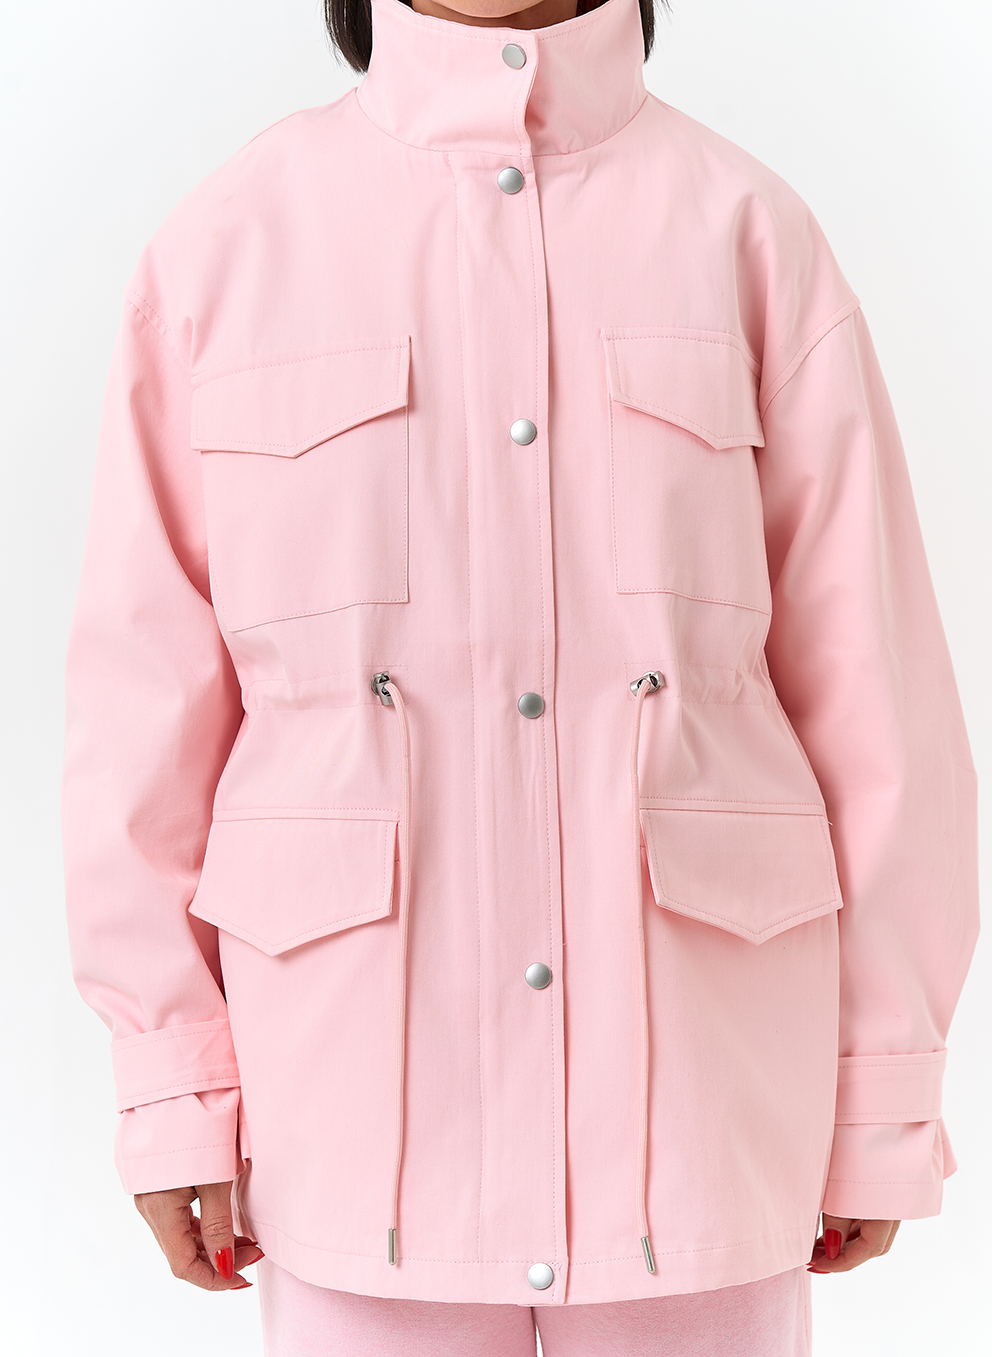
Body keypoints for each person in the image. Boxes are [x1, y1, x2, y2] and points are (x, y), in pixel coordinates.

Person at [61, 0, 979, 1352]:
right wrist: (172, 1081)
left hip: (700, 1124)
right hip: (355, 1131)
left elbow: (877, 699)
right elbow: (141, 716)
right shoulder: (228, 250)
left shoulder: (746, 235)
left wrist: (880, 1084)